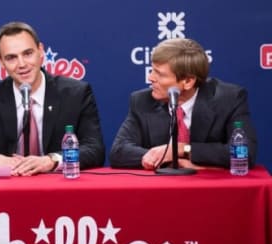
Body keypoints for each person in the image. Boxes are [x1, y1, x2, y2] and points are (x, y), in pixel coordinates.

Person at [0, 21, 105, 176]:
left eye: (28, 53)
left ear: (40, 51)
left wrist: (52, 160)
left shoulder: (76, 93)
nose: (22, 64)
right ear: (0, 62)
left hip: (57, 186)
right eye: (11, 57)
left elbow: (95, 149)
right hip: (8, 188)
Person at [109, 38, 257, 170]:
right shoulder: (142, 101)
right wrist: (166, 158)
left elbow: (244, 152)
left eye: (159, 73)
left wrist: (183, 149)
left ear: (187, 81)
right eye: (152, 70)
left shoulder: (229, 99)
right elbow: (119, 152)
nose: (150, 78)